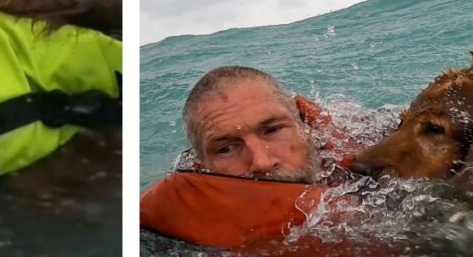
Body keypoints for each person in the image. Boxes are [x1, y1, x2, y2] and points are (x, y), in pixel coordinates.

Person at [140, 66, 362, 250]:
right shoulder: (175, 238)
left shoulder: (371, 165)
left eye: (272, 130)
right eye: (226, 149)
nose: (261, 162)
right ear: (202, 168)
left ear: (307, 128)